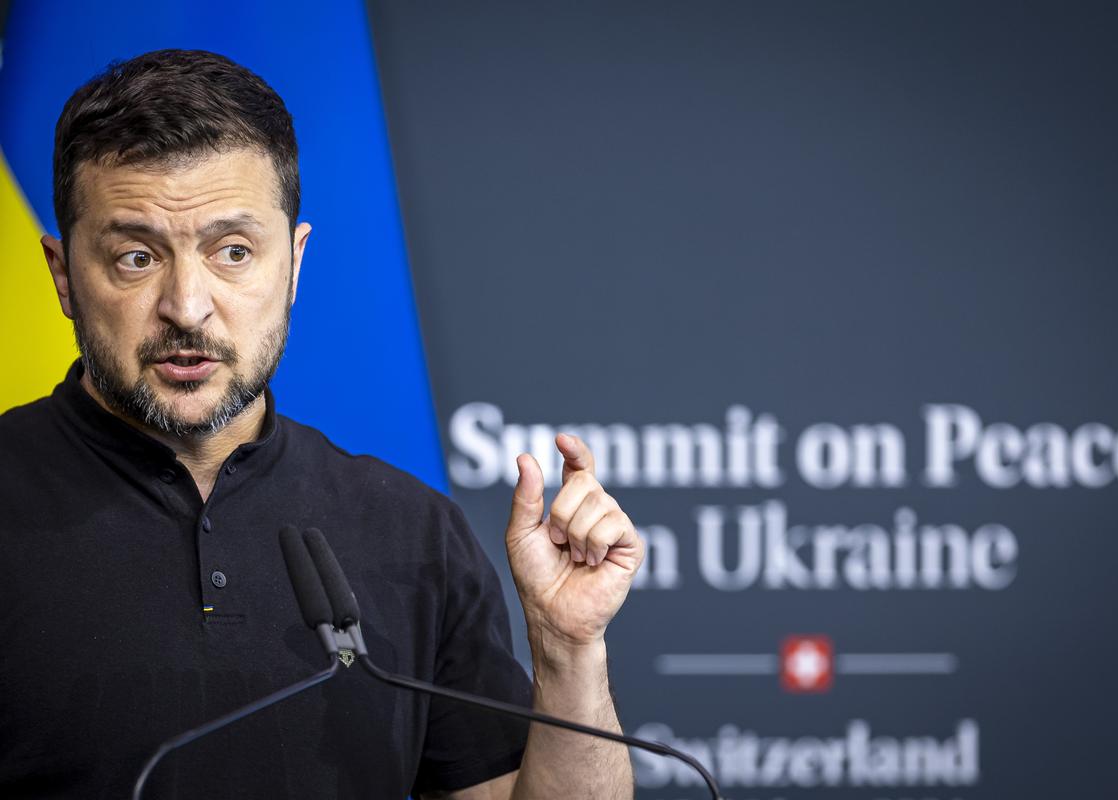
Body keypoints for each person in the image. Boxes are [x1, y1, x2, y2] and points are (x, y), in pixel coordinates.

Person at [0, 49, 643, 799]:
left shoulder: (412, 532)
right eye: (137, 257)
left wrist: (568, 652)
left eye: (232, 252)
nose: (188, 306)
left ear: (295, 263)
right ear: (62, 274)